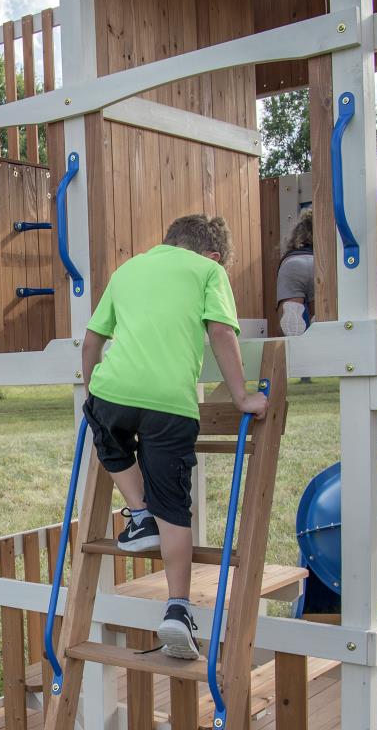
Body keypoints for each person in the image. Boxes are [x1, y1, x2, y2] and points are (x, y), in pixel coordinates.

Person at [81, 214, 267, 660]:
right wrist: (242, 396)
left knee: (106, 431)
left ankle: (138, 513)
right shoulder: (209, 272)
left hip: (114, 392)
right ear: (214, 255)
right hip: (170, 405)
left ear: (167, 243)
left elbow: (90, 343)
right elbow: (221, 332)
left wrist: (95, 394)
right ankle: (178, 609)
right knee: (175, 506)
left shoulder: (127, 270)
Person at [275, 208, 314, 379]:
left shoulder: (291, 252)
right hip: (316, 262)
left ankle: (291, 311)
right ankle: (318, 320)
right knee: (319, 309)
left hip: (292, 263)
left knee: (287, 309)